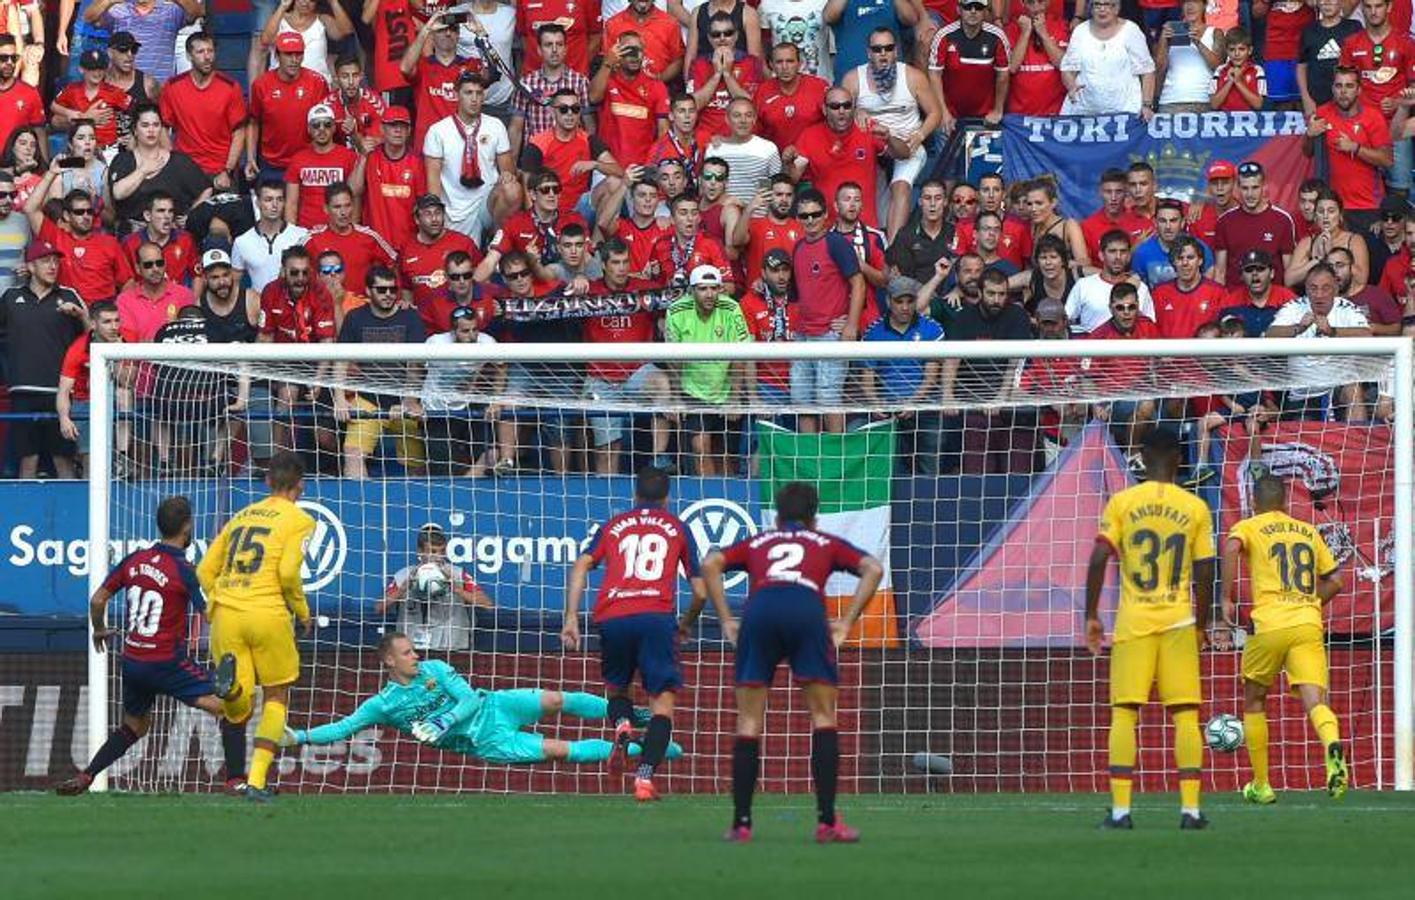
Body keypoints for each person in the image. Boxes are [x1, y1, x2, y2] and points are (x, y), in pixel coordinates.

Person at [702, 480, 885, 843]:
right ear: (814, 519)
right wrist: (846, 623)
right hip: (805, 613)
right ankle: (827, 822)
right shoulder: (825, 542)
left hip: (761, 613)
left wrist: (726, 619)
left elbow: (711, 562)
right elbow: (874, 569)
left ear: (778, 518)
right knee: (822, 717)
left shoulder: (760, 541)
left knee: (750, 720)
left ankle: (741, 824)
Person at [56, 497, 241, 795]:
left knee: (135, 727)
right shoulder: (184, 569)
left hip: (133, 660)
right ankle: (236, 780)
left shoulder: (134, 559)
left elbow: (97, 600)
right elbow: (209, 613)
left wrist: (100, 630)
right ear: (187, 526)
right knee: (230, 708)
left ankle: (87, 775)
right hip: (167, 662)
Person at [283, 632, 685, 767]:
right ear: (389, 661)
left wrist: (441, 722)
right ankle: (648, 749)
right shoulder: (383, 705)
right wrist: (299, 738)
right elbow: (344, 727)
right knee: (566, 750)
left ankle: (631, 715)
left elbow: (469, 700)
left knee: (558, 699)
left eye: (414, 650)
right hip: (487, 743)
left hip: (495, 705)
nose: (416, 655)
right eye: (407, 653)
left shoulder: (436, 669)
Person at [1085, 427, 1215, 831]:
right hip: (1178, 620)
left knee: (1124, 712)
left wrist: (1091, 615)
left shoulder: (1123, 502)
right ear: (1179, 459)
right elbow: (1205, 568)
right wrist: (1205, 622)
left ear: (1141, 458)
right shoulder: (1194, 507)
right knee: (1185, 714)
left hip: (1134, 621)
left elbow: (1098, 556)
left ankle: (1122, 812)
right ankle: (1190, 811)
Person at [564, 466, 704, 800]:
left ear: (635, 496)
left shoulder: (613, 525)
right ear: (667, 498)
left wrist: (571, 617)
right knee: (662, 705)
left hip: (612, 616)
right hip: (656, 617)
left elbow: (582, 564)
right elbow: (700, 591)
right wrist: (686, 623)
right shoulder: (678, 527)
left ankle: (622, 726)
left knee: (618, 691)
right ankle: (644, 777)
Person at [1219, 473, 1350, 803]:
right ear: (1286, 502)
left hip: (1269, 623)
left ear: (1253, 501)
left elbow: (1232, 546)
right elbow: (1336, 579)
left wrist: (1227, 597)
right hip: (1307, 622)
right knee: (1316, 701)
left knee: (1254, 699)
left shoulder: (1249, 526)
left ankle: (1261, 784)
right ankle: (1332, 747)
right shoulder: (1306, 531)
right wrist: (1307, 603)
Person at [196, 451, 317, 802]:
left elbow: (204, 571)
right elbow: (287, 573)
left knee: (240, 705)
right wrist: (303, 611)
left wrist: (218, 598)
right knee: (277, 695)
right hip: (268, 612)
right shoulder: (299, 520)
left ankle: (230, 691)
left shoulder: (240, 516)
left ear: (266, 482)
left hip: (226, 615)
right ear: (301, 486)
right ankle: (257, 781)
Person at [0, 240, 88, 478]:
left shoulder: (69, 295)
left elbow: (93, 336)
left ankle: (72, 516)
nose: (52, 266)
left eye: (55, 261)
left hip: (60, 392)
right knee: (27, 462)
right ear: (30, 265)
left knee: (64, 462)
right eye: (45, 261)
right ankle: (22, 516)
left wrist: (81, 315)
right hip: (22, 391)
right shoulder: (10, 297)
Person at [843, 28, 941, 241]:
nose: (883, 54)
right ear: (869, 53)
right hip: (872, 146)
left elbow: (935, 113)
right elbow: (839, 114)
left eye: (888, 48)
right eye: (877, 49)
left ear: (896, 51)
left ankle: (893, 250)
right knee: (864, 192)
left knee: (901, 186)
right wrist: (854, 112)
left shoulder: (913, 76)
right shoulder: (853, 79)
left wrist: (920, 135)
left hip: (908, 143)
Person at [333, 264, 427, 479]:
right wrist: (339, 399)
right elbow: (340, 360)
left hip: (403, 398)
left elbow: (416, 365)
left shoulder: (410, 317)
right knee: (353, 453)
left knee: (416, 464)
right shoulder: (355, 318)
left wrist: (410, 400)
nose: (388, 295)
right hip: (368, 400)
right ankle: (361, 508)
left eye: (393, 290)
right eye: (382, 290)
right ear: (368, 291)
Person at [664, 264, 752, 476]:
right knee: (700, 447)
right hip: (693, 391)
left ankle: (728, 501)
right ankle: (711, 498)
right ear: (692, 290)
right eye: (703, 289)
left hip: (726, 389)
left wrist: (734, 397)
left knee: (726, 456)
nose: (709, 294)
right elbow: (673, 362)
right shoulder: (676, 311)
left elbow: (740, 357)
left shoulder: (731, 309)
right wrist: (675, 398)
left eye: (714, 288)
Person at [787, 87, 907, 231]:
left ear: (854, 108)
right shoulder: (810, 136)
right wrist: (788, 162)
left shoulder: (867, 128)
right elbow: (793, 178)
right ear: (825, 110)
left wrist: (889, 139)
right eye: (835, 106)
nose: (842, 111)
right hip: (826, 228)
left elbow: (904, 153)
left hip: (865, 227)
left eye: (847, 105)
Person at [1265, 262, 1372, 421]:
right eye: (1313, 288)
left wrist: (1333, 332)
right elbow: (1270, 335)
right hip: (1303, 393)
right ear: (1306, 289)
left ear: (1336, 287)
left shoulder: (1346, 308)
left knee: (1353, 389)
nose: (1319, 294)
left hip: (1338, 389)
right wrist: (1297, 328)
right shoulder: (1294, 307)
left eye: (1325, 288)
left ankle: (1356, 443)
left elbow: (1367, 336)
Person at [862, 277, 944, 475]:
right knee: (889, 469)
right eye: (899, 301)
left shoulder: (931, 329)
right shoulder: (873, 334)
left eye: (910, 301)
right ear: (889, 301)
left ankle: (929, 502)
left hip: (924, 406)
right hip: (888, 409)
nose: (905, 307)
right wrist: (876, 404)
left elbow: (931, 377)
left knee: (929, 467)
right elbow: (867, 380)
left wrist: (913, 402)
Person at [424, 71, 519, 239]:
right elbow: (433, 183)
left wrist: (507, 177)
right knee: (463, 262)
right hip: (455, 211)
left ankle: (498, 242)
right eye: (468, 93)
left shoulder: (496, 125)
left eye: (479, 93)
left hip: (487, 203)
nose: (474, 99)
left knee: (512, 189)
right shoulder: (437, 131)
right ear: (456, 95)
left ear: (484, 96)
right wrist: (437, 219)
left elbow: (508, 173)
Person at [422, 304, 511, 477]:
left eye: (474, 330)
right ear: (453, 332)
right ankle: (462, 486)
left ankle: (466, 483)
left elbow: (502, 367)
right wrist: (412, 400)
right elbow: (414, 364)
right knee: (441, 469)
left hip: (469, 404)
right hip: (437, 408)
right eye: (465, 331)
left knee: (491, 454)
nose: (471, 336)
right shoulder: (435, 343)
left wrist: (496, 400)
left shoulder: (486, 342)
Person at [377, 523, 493, 652]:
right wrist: (403, 589)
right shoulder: (403, 575)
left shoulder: (458, 574)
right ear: (420, 551)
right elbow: (379, 607)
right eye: (432, 551)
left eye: (442, 551)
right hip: (413, 652)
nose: (438, 556)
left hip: (451, 649)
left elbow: (487, 604)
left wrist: (457, 589)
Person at [1306, 67, 1393, 234]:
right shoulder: (1322, 113)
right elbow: (1307, 153)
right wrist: (1309, 135)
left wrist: (1356, 147)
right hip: (1333, 207)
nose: (1343, 91)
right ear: (1332, 88)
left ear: (1359, 90)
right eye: (1339, 86)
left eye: (1349, 86)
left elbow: (1387, 160)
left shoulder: (1373, 117)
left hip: (1368, 206)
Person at [519, 88, 625, 226]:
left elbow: (619, 171)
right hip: (549, 209)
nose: (570, 114)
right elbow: (527, 187)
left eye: (575, 109)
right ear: (552, 111)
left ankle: (596, 244)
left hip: (581, 208)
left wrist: (595, 164)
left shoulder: (589, 140)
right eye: (563, 109)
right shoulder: (538, 143)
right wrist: (533, 222)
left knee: (614, 182)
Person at [1340, 0, 1413, 196]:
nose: (1373, 12)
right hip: (1363, 131)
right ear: (1361, 8)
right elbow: (1343, 86)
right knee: (1359, 193)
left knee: (1399, 192)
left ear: (1389, 7)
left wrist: (1399, 102)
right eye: (1368, 6)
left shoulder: (1406, 43)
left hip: (1395, 130)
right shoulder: (1351, 43)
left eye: (1378, 6)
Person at [159, 31, 246, 186]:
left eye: (210, 51)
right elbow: (163, 128)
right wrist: (173, 165)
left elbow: (239, 133)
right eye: (200, 52)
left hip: (220, 171)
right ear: (188, 56)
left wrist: (228, 170)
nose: (207, 57)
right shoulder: (172, 87)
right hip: (185, 169)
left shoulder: (230, 87)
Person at [28, 182, 135, 304]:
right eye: (79, 212)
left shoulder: (110, 243)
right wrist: (52, 173)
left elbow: (128, 282)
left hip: (101, 315)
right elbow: (30, 209)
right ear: (67, 216)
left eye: (89, 211)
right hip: (66, 312)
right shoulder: (56, 238)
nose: (86, 216)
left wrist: (116, 310)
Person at [245, 31, 330, 181]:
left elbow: (328, 124)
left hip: (308, 163)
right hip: (272, 164)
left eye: (298, 54)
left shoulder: (317, 82)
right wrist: (251, 158)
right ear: (277, 56)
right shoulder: (261, 85)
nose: (294, 60)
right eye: (288, 54)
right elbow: (253, 122)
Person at [400, 10, 481, 151]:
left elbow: (493, 73)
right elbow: (405, 68)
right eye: (442, 29)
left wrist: (481, 33)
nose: (448, 34)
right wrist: (426, 29)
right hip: (427, 145)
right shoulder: (423, 66)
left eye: (453, 30)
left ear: (458, 36)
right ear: (433, 34)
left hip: (460, 144)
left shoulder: (470, 65)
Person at [510, 24, 593, 159]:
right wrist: (512, 167)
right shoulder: (526, 84)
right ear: (539, 50)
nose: (554, 50)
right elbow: (516, 129)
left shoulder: (580, 82)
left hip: (570, 158)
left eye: (559, 44)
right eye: (548, 45)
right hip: (537, 158)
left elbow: (589, 126)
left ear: (566, 49)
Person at [1060, 0, 1156, 117]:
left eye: (1107, 4)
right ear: (1090, 8)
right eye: (1097, 4)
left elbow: (1147, 71)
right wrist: (1071, 86)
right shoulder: (1080, 31)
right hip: (1084, 111)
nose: (1102, 9)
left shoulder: (1131, 30)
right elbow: (1068, 68)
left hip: (1125, 110)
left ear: (1117, 9)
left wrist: (1147, 105)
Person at [591, 30, 671, 170]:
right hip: (608, 168)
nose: (634, 56)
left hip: (641, 168)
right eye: (628, 50)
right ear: (618, 53)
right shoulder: (607, 80)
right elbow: (593, 97)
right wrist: (608, 62)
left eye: (638, 50)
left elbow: (663, 131)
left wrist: (652, 165)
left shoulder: (656, 86)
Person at [350, 105, 424, 252]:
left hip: (407, 245)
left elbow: (422, 206)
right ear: (382, 129)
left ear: (409, 131)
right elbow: (354, 190)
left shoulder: (417, 163)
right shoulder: (371, 157)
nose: (398, 130)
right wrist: (363, 155)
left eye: (403, 126)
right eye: (392, 125)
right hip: (374, 244)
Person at [1214, 161, 1298, 287]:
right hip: (1235, 300)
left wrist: (1287, 304)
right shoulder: (1224, 221)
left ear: (1264, 186)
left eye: (1255, 188)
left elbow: (1289, 272)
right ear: (1238, 188)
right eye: (1245, 188)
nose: (1250, 194)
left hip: (1273, 301)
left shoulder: (1282, 220)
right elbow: (1220, 273)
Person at [305, 181, 396, 295]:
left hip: (361, 308)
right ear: (326, 209)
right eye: (337, 207)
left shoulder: (369, 237)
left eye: (347, 205)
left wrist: (396, 300)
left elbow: (393, 264)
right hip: (325, 309)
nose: (343, 212)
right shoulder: (312, 239)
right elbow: (292, 267)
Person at [927, 0, 1006, 128]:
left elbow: (1003, 75)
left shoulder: (997, 36)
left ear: (985, 11)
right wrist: (943, 112)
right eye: (968, 7)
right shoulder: (943, 36)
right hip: (950, 116)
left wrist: (998, 110)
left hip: (985, 118)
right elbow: (934, 75)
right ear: (959, 9)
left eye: (978, 7)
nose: (973, 11)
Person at [689, 10, 764, 138]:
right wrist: (717, 74)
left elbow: (751, 105)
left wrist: (728, 75)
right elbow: (692, 107)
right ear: (709, 38)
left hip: (743, 137)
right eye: (716, 34)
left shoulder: (752, 63)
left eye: (728, 33)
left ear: (736, 36)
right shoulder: (698, 64)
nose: (722, 38)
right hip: (708, 139)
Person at [1065, 229, 1154, 333]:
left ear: (1129, 256)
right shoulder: (1083, 285)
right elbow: (1065, 320)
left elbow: (1149, 326)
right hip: (1092, 347)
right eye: (1112, 251)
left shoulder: (1141, 288)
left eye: (1123, 251)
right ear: (1101, 255)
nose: (1118, 257)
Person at [231, 179, 309, 294]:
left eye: (279, 199)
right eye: (268, 200)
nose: (274, 205)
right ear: (257, 203)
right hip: (258, 307)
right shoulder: (242, 242)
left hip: (295, 307)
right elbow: (234, 284)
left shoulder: (301, 236)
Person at [84, 0, 194, 81]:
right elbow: (89, 18)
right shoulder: (118, 10)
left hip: (160, 88)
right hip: (123, 89)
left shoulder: (171, 11)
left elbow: (197, 13)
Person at [1286, 190, 1371, 290]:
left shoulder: (1354, 240)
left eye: (1331, 211)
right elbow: (1289, 280)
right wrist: (1317, 259)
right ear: (1315, 216)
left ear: (1340, 215)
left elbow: (1362, 279)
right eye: (1321, 211)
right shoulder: (1307, 242)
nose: (1325, 216)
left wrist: (1332, 253)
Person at [51, 48, 131, 152]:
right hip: (79, 148)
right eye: (91, 68)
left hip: (108, 149)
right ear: (81, 69)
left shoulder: (114, 92)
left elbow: (135, 110)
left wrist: (126, 135)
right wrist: (77, 115)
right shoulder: (72, 89)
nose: (97, 72)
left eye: (100, 68)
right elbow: (53, 108)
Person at [754, 41, 829, 150]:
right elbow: (754, 130)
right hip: (775, 158)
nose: (785, 67)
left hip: (813, 156)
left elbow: (833, 124)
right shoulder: (763, 91)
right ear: (771, 65)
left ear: (800, 63)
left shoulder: (819, 87)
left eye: (790, 61)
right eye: (779, 62)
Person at [705, 99, 781, 206]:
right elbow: (707, 189)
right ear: (727, 119)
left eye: (748, 115)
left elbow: (775, 189)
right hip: (724, 217)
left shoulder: (768, 149)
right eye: (737, 115)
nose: (743, 120)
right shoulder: (715, 149)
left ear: (754, 119)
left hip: (758, 218)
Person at [257, 0, 354, 83]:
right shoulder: (280, 19)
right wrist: (282, 7)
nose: (306, 2)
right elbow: (266, 40)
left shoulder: (322, 19)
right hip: (281, 86)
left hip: (317, 87)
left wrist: (333, 2)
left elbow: (346, 30)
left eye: (311, 0)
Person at [116, 240, 194, 341]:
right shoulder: (125, 301)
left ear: (165, 264)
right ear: (138, 269)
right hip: (139, 356)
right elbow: (129, 342)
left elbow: (191, 338)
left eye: (159, 263)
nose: (155, 269)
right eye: (148, 265)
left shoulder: (184, 295)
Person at [1152, 235, 1226, 339]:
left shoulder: (1218, 292)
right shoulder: (1159, 293)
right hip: (1168, 354)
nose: (1185, 263)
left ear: (1200, 260)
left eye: (1190, 258)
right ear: (1173, 262)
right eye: (1180, 258)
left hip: (1205, 354)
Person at [1154, 0, 1221, 114]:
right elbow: (1159, 68)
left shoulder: (1215, 32)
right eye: (1186, 2)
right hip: (1170, 101)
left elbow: (1219, 67)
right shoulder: (1170, 31)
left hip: (1204, 101)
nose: (1190, 6)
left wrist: (1198, 43)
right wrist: (1163, 40)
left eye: (1195, 2)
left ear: (1205, 5)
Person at [1297, 0, 1361, 119]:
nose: (1327, 2)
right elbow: (1301, 67)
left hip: (1348, 102)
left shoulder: (1354, 28)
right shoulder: (1308, 31)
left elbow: (1362, 63)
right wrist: (1306, 99)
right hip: (1317, 102)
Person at [1133, 199, 1213, 288]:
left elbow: (1210, 287)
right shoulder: (1143, 253)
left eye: (1173, 221)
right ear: (1155, 223)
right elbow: (1136, 288)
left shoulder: (1199, 248)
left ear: (1182, 223)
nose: (1168, 226)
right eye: (1163, 221)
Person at [1217, 248, 1298, 335]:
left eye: (1260, 269)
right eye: (1249, 270)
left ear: (1272, 273)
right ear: (1242, 276)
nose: (1254, 273)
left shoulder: (1289, 299)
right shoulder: (1229, 302)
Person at [605, 0, 686, 83]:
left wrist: (658, 81)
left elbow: (678, 60)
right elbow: (607, 61)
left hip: (662, 88)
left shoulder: (670, 23)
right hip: (623, 90)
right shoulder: (613, 24)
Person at [323, 53, 385, 154]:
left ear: (361, 76)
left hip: (367, 159)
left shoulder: (375, 103)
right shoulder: (327, 107)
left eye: (355, 75)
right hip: (338, 160)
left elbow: (369, 147)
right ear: (336, 78)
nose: (351, 82)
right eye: (345, 76)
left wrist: (354, 134)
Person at [0, 33, 43, 152]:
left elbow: (39, 132)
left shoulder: (29, 93)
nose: (9, 62)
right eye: (3, 58)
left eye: (13, 58)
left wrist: (44, 167)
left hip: (16, 167)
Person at [1208, 26, 1265, 111]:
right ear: (1227, 51)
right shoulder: (1220, 70)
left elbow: (1258, 104)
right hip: (1225, 122)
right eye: (1232, 49)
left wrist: (1238, 82)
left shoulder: (1257, 70)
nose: (1236, 54)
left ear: (1250, 50)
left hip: (1249, 122)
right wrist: (1230, 81)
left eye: (1241, 49)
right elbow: (1214, 105)